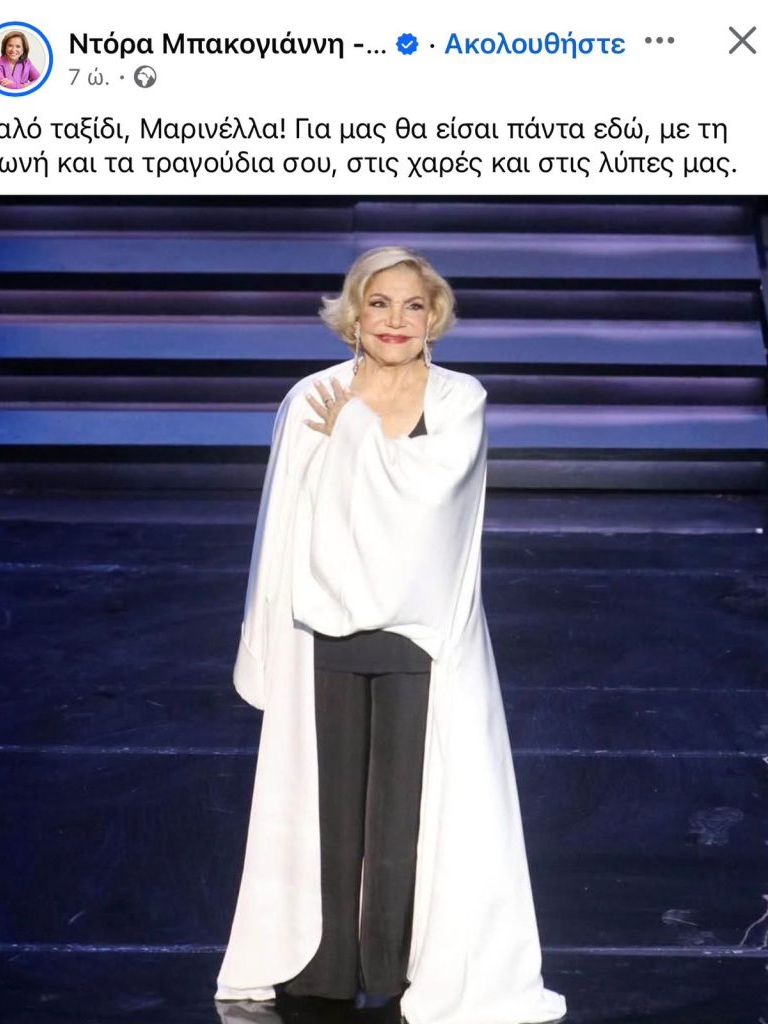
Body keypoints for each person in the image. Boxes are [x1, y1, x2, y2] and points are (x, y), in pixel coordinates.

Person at [215, 247, 567, 1024]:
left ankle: (394, 966)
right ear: (354, 314)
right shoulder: (313, 397)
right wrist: (265, 630)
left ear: (433, 316)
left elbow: (429, 505)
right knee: (328, 812)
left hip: (419, 636)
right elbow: (285, 520)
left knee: (403, 818)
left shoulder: (458, 398)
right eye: (379, 303)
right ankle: (322, 968)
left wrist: (356, 437)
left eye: (413, 305)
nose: (396, 321)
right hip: (322, 628)